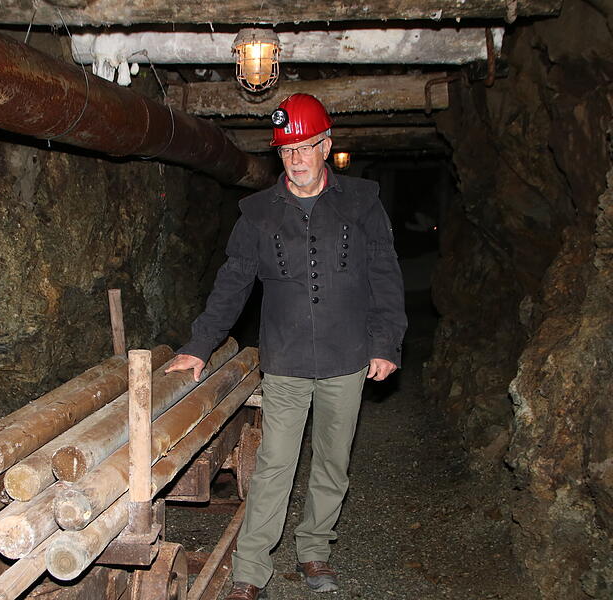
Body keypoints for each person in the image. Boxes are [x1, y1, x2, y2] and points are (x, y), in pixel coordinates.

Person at [166, 93, 407, 600]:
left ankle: (314, 548)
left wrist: (386, 343)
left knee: (333, 460)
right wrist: (199, 345)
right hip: (286, 360)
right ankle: (252, 569)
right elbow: (232, 283)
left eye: (304, 147)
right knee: (276, 462)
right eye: (286, 150)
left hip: (348, 357)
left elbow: (385, 278)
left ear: (325, 146)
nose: (295, 159)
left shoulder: (362, 203)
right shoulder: (257, 214)